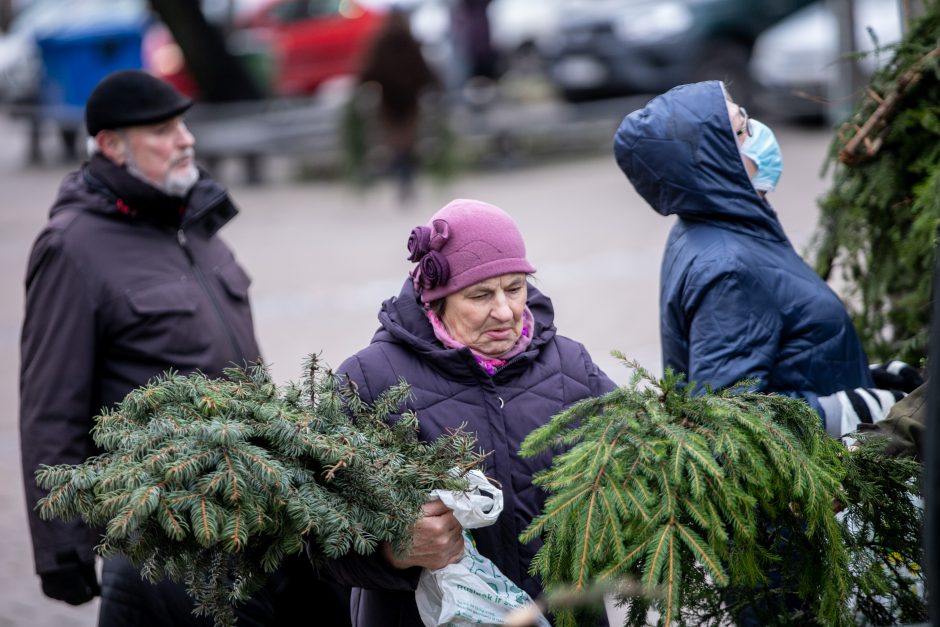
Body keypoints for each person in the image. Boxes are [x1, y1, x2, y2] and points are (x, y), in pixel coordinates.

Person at [18, 69, 346, 626]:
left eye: (184, 125)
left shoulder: (196, 224)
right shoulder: (73, 247)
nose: (186, 139)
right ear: (111, 145)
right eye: (164, 130)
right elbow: (51, 405)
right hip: (161, 531)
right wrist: (62, 547)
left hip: (253, 505)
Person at [327, 198, 617, 625]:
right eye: (480, 294)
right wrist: (392, 550)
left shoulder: (570, 367)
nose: (505, 311)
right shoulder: (370, 382)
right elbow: (315, 538)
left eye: (515, 287)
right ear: (436, 300)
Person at [612, 80, 902, 438]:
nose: (759, 132)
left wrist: (874, 379)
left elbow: (789, 350)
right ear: (712, 163)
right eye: (740, 130)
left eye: (746, 118)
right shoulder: (730, 268)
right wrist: (861, 410)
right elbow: (730, 423)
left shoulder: (720, 226)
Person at [355, 7, 440, 203]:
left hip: (390, 103)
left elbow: (369, 71)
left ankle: (402, 180)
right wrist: (435, 86)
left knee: (396, 144)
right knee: (407, 144)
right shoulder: (410, 43)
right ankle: (406, 180)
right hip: (408, 102)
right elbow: (425, 71)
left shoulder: (380, 43)